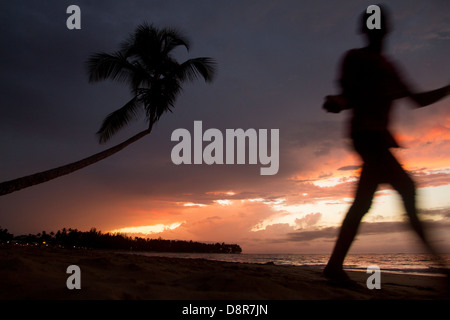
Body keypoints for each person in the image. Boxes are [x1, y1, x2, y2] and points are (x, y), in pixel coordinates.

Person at [323, 5, 450, 283]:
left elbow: (417, 100)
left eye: (379, 25)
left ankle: (334, 266)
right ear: (366, 29)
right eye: (372, 25)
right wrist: (337, 102)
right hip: (367, 137)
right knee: (406, 189)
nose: (376, 30)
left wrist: (448, 88)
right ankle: (442, 270)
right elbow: (348, 95)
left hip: (378, 139)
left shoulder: (391, 68)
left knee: (363, 202)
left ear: (385, 29)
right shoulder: (355, 58)